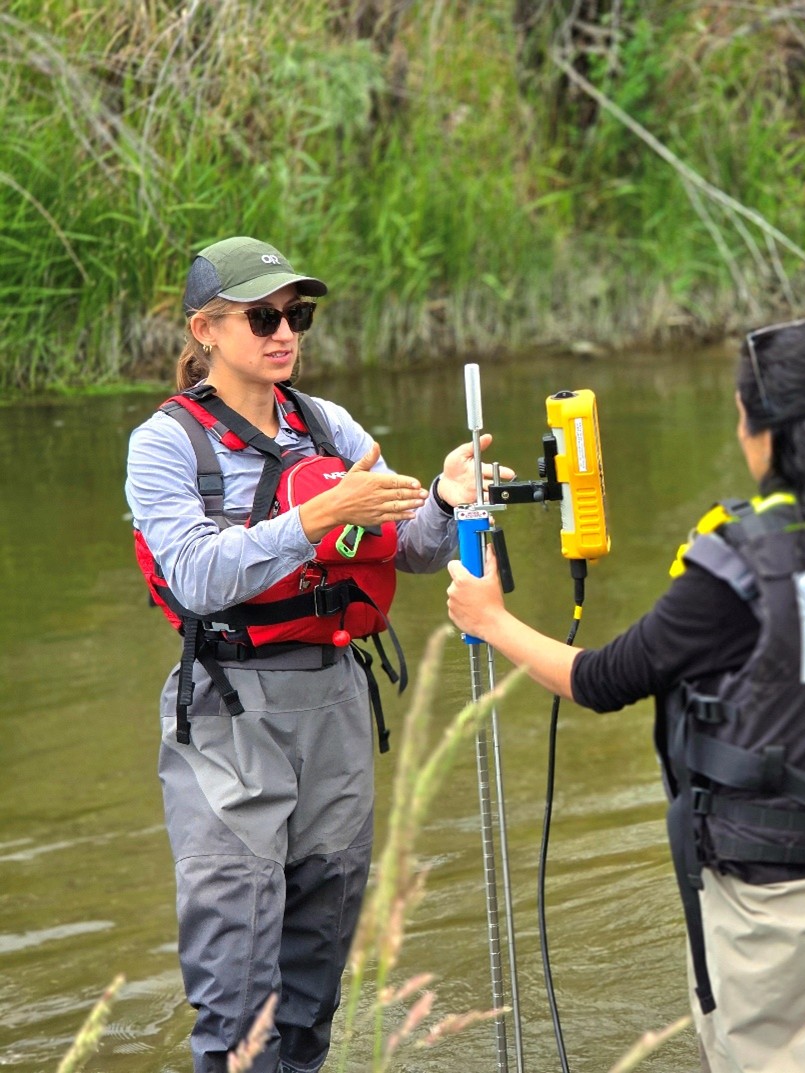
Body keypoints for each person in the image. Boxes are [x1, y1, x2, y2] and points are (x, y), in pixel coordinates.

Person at [447, 318, 805, 1072]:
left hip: (779, 913)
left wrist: (492, 620)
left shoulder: (735, 571)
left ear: (766, 433)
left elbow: (600, 679)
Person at [126, 236, 492, 1073]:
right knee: (236, 974)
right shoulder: (165, 444)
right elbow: (193, 571)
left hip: (333, 704)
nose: (284, 331)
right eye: (261, 316)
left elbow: (412, 545)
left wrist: (444, 495)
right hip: (228, 710)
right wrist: (322, 513)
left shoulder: (327, 423)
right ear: (206, 330)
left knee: (318, 963)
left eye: (297, 314)